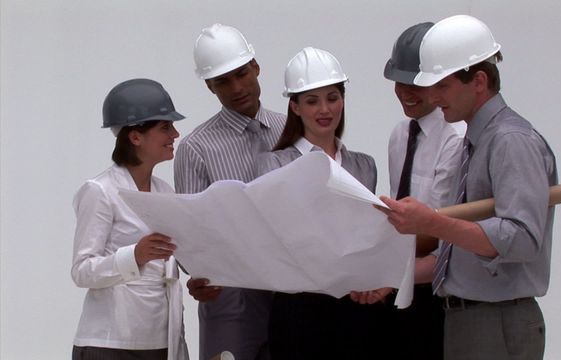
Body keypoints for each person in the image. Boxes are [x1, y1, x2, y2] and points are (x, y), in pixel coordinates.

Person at [376, 15, 557, 360]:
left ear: (478, 81)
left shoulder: (510, 141)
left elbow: (520, 240)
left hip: (496, 320)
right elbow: (461, 252)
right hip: (471, 317)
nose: (433, 96)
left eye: (442, 85)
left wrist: (430, 223)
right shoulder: (479, 141)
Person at [254, 47, 383, 360]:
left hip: (357, 305)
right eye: (312, 101)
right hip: (299, 308)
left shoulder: (364, 165)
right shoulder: (273, 165)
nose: (325, 109)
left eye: (333, 97)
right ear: (295, 107)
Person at [174, 24, 286, 360]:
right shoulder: (196, 148)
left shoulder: (292, 130)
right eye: (223, 80)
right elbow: (188, 233)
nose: (237, 87)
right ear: (209, 85)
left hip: (293, 291)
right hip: (230, 296)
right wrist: (198, 273)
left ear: (256, 67)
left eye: (241, 74)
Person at [71, 78, 188, 360]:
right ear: (135, 137)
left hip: (160, 344)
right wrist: (134, 255)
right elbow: (82, 270)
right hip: (108, 345)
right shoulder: (100, 191)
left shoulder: (165, 192)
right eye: (165, 127)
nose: (175, 133)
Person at [383, 21, 465, 359]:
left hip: (435, 293)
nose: (407, 92)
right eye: (400, 82)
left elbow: (441, 232)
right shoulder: (400, 135)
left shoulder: (456, 138)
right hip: (398, 289)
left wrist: (378, 266)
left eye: (419, 83)